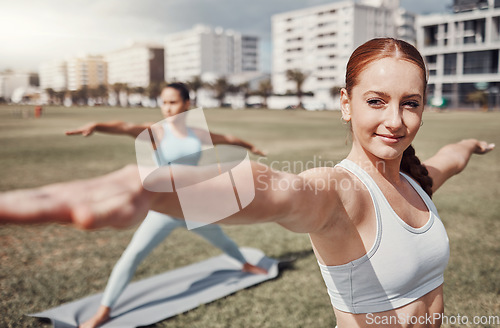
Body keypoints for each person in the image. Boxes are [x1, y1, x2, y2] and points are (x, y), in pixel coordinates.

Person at [0, 39, 495, 328]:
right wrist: (153, 187)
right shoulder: (340, 193)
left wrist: (472, 144)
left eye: (411, 102)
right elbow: (272, 188)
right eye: (376, 101)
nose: (395, 120)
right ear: (346, 103)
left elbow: (449, 159)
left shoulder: (417, 182)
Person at [66, 82, 267, 328]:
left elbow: (227, 138)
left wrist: (250, 146)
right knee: (133, 255)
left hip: (194, 207)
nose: (167, 108)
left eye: (173, 102)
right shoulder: (157, 132)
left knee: (221, 239)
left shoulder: (197, 134)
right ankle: (103, 311)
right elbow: (126, 127)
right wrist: (97, 126)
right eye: (164, 102)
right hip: (165, 210)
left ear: (186, 104)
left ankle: (246, 264)